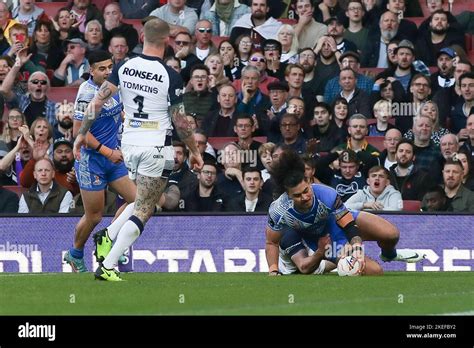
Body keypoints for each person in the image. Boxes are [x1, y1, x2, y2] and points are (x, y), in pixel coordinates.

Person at [73, 18, 203, 281]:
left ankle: (107, 235)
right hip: (155, 144)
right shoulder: (170, 74)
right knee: (147, 207)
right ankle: (108, 265)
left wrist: (81, 134)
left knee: (141, 198)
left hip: (129, 143)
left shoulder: (123, 66)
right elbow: (180, 121)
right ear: (166, 41)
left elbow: (97, 102)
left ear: (143, 37)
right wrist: (196, 152)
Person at [265, 150, 425, 276]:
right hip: (327, 241)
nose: (305, 196)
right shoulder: (278, 210)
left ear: (308, 182)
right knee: (375, 271)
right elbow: (272, 242)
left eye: (306, 190)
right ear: (287, 194)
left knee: (391, 234)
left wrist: (356, 246)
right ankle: (344, 262)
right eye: (298, 195)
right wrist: (273, 269)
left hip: (342, 221)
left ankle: (389, 255)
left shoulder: (327, 194)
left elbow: (348, 224)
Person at [63, 51, 138, 273]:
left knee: (138, 202)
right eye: (101, 69)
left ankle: (110, 240)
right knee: (94, 216)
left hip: (112, 158)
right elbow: (79, 132)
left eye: (109, 67)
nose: (107, 72)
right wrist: (107, 151)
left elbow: (116, 112)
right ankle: (75, 254)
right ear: (91, 70)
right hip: (91, 160)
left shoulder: (113, 87)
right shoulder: (87, 93)